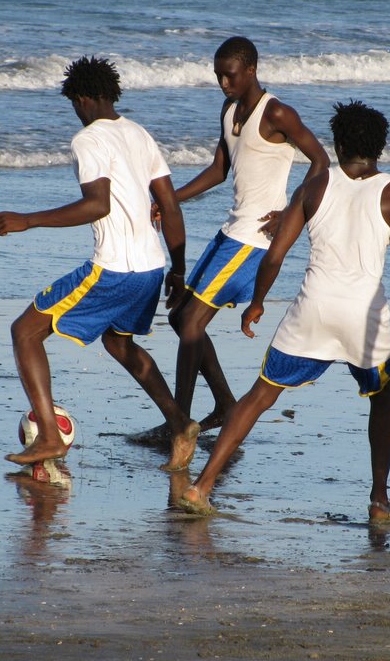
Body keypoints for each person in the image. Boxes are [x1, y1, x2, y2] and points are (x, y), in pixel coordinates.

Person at [175, 99, 390, 523]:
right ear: (382, 145)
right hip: (362, 316)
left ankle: (200, 486)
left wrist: (258, 302)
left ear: (336, 142)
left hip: (313, 308)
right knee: (382, 397)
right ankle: (379, 500)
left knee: (260, 394)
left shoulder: (314, 187)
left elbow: (276, 254)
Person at [0, 56, 199, 473]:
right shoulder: (140, 134)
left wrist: (28, 220)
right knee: (119, 343)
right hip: (151, 267)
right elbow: (171, 206)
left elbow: (96, 204)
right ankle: (180, 424)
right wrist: (177, 270)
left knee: (25, 331)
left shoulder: (87, 139)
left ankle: (49, 436)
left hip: (115, 269)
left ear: (82, 98)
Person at [138, 36, 329, 441]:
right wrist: (170, 199)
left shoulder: (276, 111)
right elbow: (218, 170)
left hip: (254, 241)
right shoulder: (228, 110)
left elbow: (321, 160)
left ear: (251, 70)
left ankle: (180, 424)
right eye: (218, 75)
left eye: (230, 75)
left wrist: (292, 211)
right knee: (179, 317)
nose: (223, 82)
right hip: (230, 232)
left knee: (190, 322)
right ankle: (224, 403)